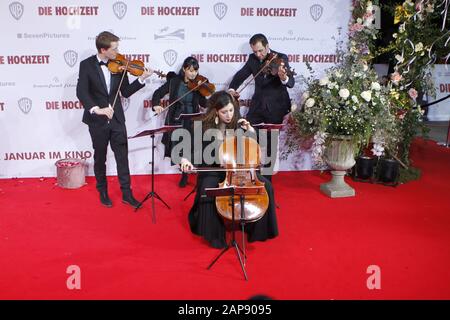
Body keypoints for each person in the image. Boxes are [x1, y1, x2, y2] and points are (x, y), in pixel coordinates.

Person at [180, 91, 279, 249]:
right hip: (214, 170)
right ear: (216, 112)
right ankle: (215, 235)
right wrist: (185, 160)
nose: (229, 115)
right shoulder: (203, 127)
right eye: (224, 112)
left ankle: (256, 229)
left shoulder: (240, 124)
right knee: (208, 188)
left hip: (239, 170)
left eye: (231, 110)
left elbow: (253, 149)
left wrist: (251, 132)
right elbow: (194, 150)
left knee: (266, 186)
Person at [76, 31, 153, 208]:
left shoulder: (119, 63)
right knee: (100, 157)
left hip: (117, 118)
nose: (118, 51)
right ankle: (102, 191)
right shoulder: (86, 65)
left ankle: (127, 193)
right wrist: (97, 110)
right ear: (103, 49)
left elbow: (124, 92)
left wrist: (141, 79)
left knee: (122, 157)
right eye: (115, 48)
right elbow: (81, 91)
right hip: (97, 120)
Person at [228, 33, 295, 180]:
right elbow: (241, 75)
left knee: (271, 143)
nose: (258, 55)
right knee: (247, 133)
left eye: (261, 51)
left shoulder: (280, 58)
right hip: (258, 106)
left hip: (276, 106)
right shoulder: (252, 59)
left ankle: (267, 180)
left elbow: (291, 83)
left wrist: (284, 77)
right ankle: (250, 172)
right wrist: (232, 89)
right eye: (255, 51)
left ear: (267, 46)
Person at [152, 56, 207, 187]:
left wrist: (202, 91)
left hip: (192, 118)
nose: (193, 74)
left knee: (191, 147)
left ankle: (186, 174)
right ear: (184, 69)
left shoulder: (198, 84)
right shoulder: (174, 82)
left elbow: (204, 103)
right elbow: (158, 93)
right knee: (178, 148)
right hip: (177, 118)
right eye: (190, 70)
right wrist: (156, 105)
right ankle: (183, 169)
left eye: (195, 71)